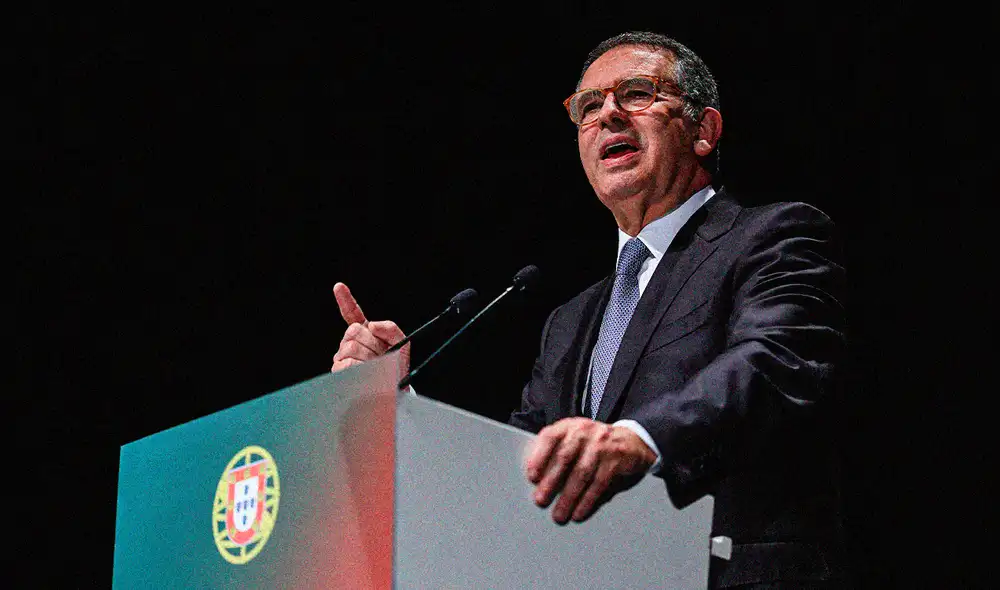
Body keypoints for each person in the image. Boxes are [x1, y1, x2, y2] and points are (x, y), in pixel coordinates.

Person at [332, 31, 848, 589]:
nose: (608, 115)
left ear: (703, 131)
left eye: (637, 93)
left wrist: (639, 439)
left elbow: (773, 364)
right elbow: (517, 471)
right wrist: (396, 403)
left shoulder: (773, 236)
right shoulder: (569, 321)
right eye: (588, 107)